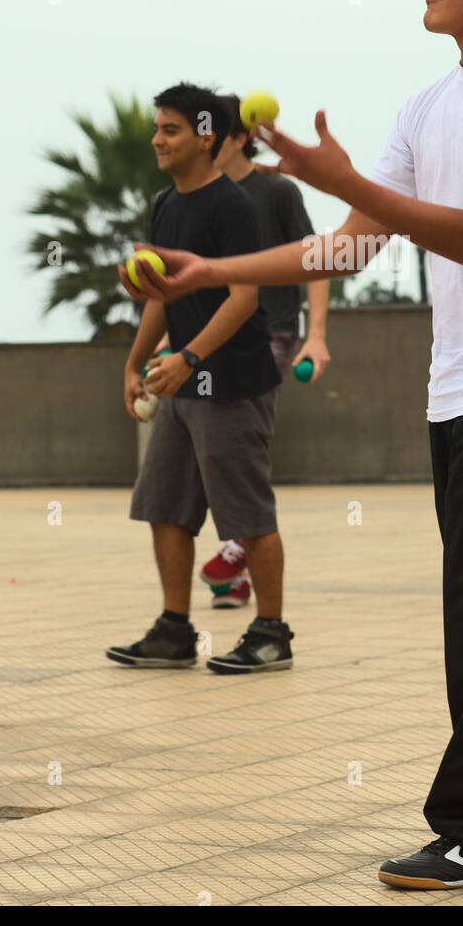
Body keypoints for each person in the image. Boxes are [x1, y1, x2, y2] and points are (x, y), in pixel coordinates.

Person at [119, 0, 463, 888]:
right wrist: (212, 274)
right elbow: (351, 240)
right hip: (461, 390)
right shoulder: (430, 106)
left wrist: (354, 179)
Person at [107, 82, 294, 674]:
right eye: (157, 128)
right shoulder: (165, 205)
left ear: (205, 135)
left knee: (247, 515)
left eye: (171, 129)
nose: (158, 139)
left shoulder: (233, 206)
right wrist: (136, 362)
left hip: (233, 382)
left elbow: (243, 297)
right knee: (165, 507)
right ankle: (174, 630)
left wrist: (189, 357)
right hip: (182, 384)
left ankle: (270, 634)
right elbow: (158, 296)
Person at [196, 95, 331, 608]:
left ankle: (235, 550)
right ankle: (236, 572)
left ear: (237, 138)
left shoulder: (276, 192)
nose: (201, 143)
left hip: (270, 334)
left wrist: (315, 336)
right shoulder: (202, 197)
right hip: (212, 337)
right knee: (208, 447)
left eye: (210, 133)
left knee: (237, 434)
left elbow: (316, 261)